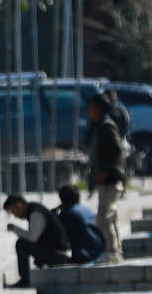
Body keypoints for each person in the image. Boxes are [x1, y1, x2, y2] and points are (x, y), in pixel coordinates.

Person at [85, 91, 128, 260]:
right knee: (109, 216)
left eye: (91, 108)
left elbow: (118, 151)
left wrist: (106, 171)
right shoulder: (99, 126)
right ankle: (115, 251)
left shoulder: (107, 126)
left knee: (104, 218)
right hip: (105, 181)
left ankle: (111, 251)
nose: (89, 111)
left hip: (111, 180)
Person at [3, 193, 70, 283]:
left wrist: (15, 229)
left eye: (13, 212)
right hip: (56, 252)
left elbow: (32, 238)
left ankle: (25, 280)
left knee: (21, 244)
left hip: (59, 256)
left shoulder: (36, 212)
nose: (15, 216)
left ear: (18, 205)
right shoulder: (34, 210)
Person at [55, 182, 104, 263]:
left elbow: (58, 236)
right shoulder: (86, 210)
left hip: (84, 256)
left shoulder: (68, 214)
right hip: (99, 252)